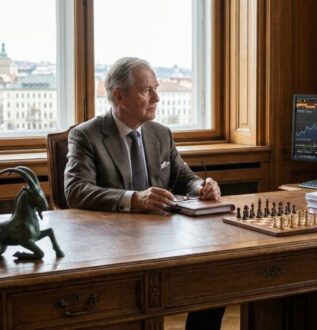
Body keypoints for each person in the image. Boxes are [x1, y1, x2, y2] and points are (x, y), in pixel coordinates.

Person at [64, 57, 225, 329]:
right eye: (146, 90)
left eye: (156, 88)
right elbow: (76, 190)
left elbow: (182, 175)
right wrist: (133, 199)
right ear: (119, 96)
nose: (157, 98)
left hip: (164, 237)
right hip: (111, 246)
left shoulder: (161, 133)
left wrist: (201, 186)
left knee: (216, 278)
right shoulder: (86, 135)